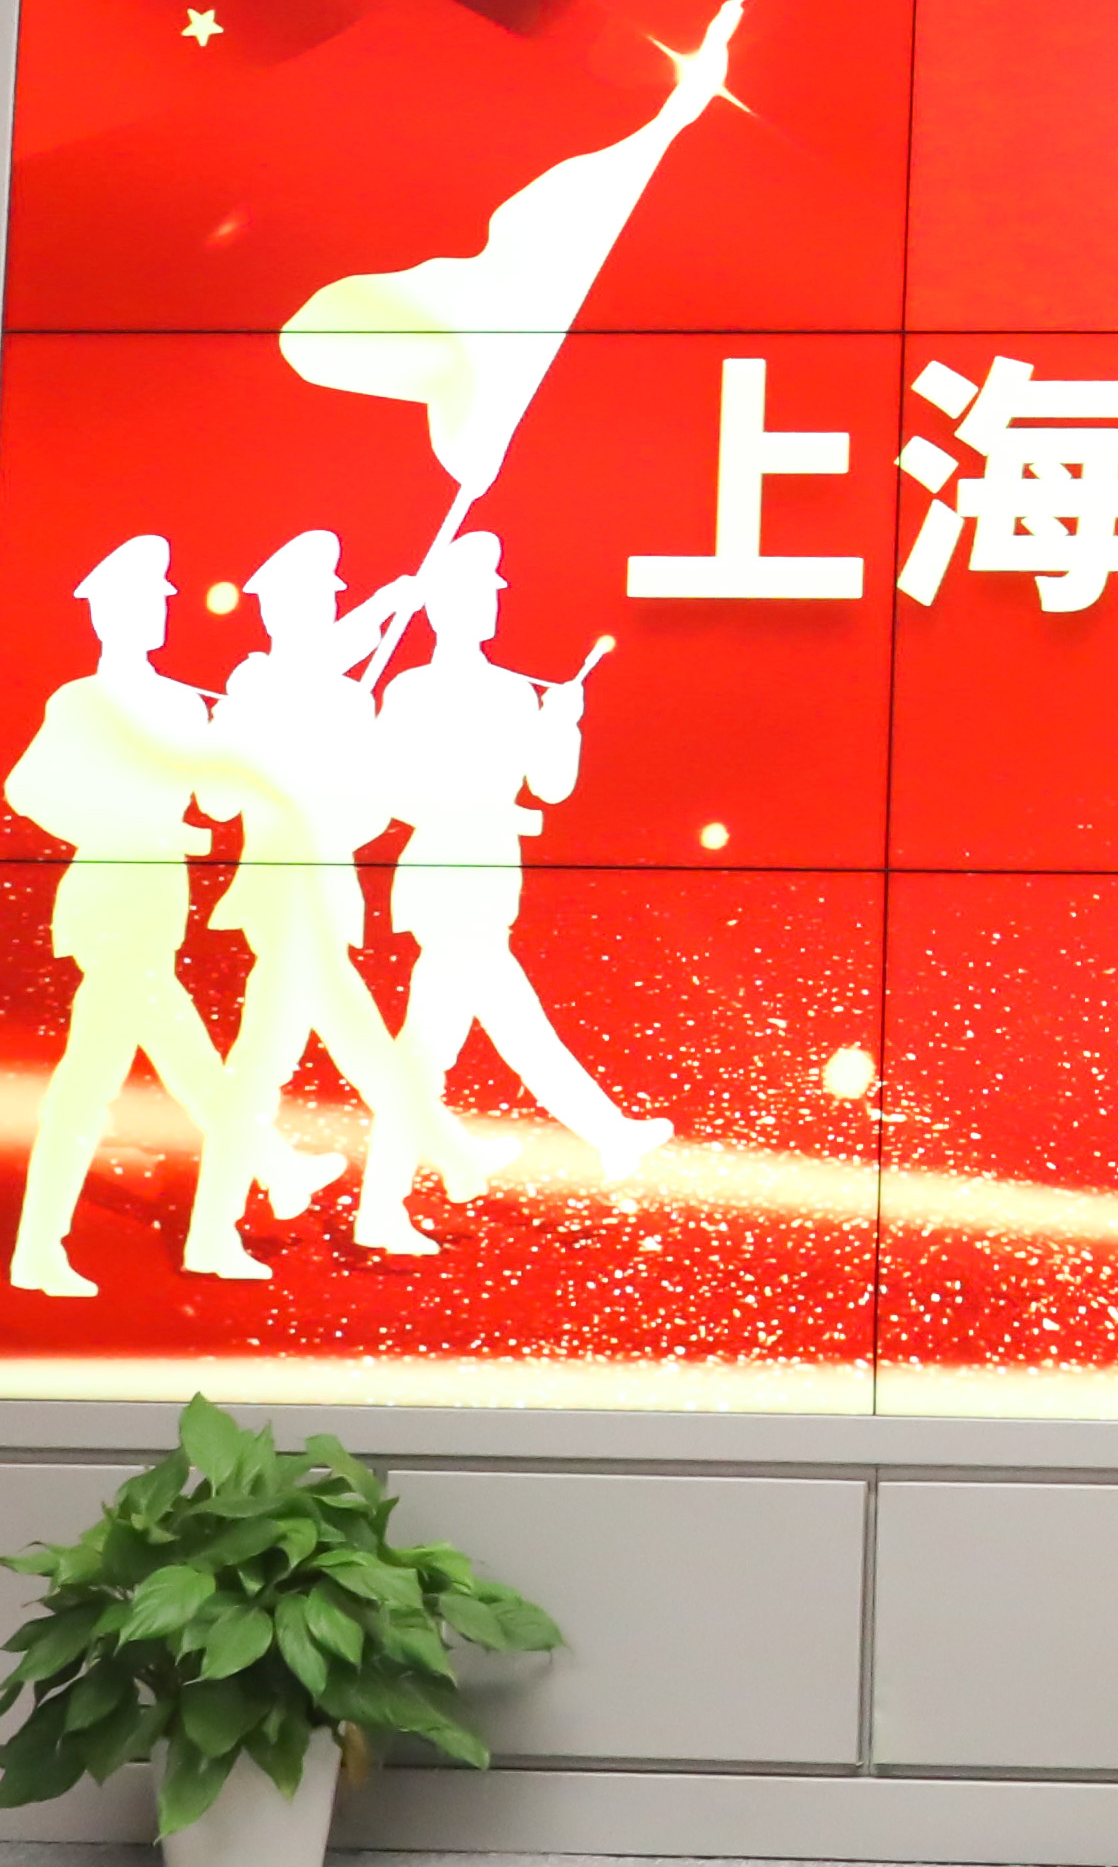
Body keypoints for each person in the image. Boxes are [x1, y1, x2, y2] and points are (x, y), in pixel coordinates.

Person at [372, 531, 672, 1209]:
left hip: (489, 878)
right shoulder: (411, 691)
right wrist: (475, 807)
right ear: (439, 606)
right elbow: (389, 788)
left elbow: (551, 785)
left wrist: (565, 723)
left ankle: (392, 1195)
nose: (488, 605)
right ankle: (607, 1133)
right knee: (505, 1024)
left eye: (491, 594)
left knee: (429, 1053)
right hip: (443, 875)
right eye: (472, 594)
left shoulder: (514, 693)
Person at [206, 529, 477, 1265]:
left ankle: (362, 1196)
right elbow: (223, 796)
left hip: (322, 897)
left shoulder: (336, 695)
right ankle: (424, 1172)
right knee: (328, 1064)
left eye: (330, 602)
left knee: (289, 1064)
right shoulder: (262, 690)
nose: (327, 612)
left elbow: (367, 807)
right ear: (282, 611)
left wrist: (353, 797)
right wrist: (383, 607)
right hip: (287, 897)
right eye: (315, 602)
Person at [6, 537, 263, 1301]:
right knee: (127, 1081)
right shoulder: (80, 703)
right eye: (144, 600)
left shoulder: (182, 703)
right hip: (110, 904)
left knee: (125, 1079)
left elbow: (218, 802)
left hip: (156, 909)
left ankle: (238, 1207)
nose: (159, 610)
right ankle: (47, 1251)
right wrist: (123, 827)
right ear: (107, 614)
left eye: (160, 599)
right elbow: (26, 790)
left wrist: (235, 736)